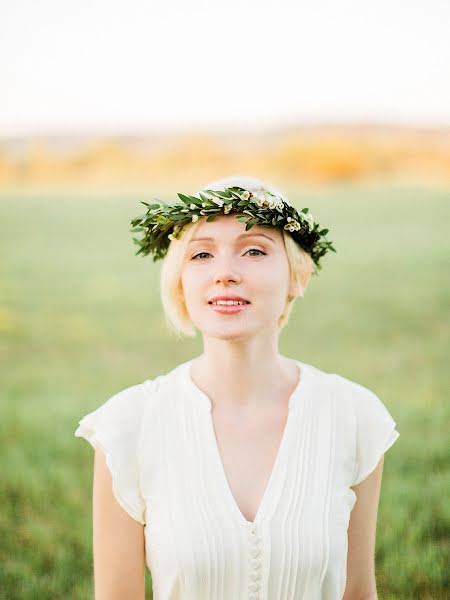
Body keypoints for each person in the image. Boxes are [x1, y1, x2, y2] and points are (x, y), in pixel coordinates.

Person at [74, 175, 400, 600]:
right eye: (202, 254)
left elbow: (357, 592)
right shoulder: (128, 424)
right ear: (180, 280)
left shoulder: (354, 415)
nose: (225, 273)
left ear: (297, 276)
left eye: (254, 250)